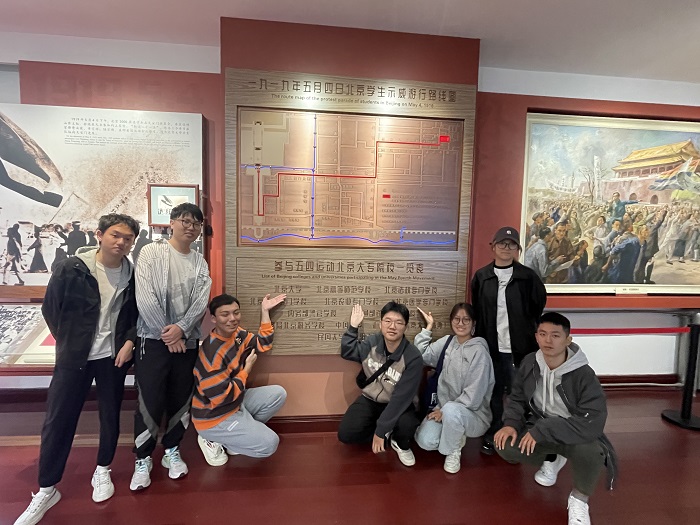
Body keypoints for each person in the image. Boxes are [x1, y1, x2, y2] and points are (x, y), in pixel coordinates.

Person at [14, 214, 140, 525]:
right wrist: (70, 341)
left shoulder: (132, 274)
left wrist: (129, 341)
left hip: (112, 357)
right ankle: (46, 487)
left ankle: (103, 468)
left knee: (110, 414)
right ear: (99, 235)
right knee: (59, 418)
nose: (121, 242)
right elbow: (51, 308)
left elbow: (134, 314)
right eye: (115, 235)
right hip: (74, 357)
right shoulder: (72, 268)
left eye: (127, 238)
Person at [494, 312, 617, 525]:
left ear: (568, 340)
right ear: (536, 337)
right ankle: (553, 456)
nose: (548, 340)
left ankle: (579, 500)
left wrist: (544, 429)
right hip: (539, 424)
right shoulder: (530, 362)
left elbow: (594, 421)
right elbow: (517, 398)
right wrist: (511, 424)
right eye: (542, 334)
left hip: (572, 429)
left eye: (555, 335)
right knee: (505, 444)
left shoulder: (584, 374)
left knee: (592, 452)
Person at [130, 203, 212, 491]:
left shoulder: (200, 262)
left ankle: (171, 450)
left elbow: (201, 301)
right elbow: (145, 297)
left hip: (186, 342)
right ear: (172, 222)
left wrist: (182, 330)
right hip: (152, 340)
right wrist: (168, 334)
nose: (191, 227)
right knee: (149, 400)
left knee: (181, 398)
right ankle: (143, 458)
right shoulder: (151, 253)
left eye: (196, 223)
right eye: (185, 221)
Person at [471, 226, 547, 455]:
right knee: (493, 391)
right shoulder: (482, 276)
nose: (507, 247)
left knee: (520, 392)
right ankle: (494, 431)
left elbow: (537, 307)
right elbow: (478, 309)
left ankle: (518, 432)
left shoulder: (528, 277)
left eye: (512, 244)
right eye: (502, 243)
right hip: (492, 346)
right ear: (493, 247)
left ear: (518, 249)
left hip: (521, 348)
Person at [192, 293, 287, 466]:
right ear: (213, 319)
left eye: (236, 313)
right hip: (214, 416)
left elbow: (262, 344)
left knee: (278, 394)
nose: (232, 318)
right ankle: (212, 439)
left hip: (235, 403)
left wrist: (265, 311)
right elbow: (222, 398)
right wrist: (246, 370)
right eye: (225, 314)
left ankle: (237, 437)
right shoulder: (212, 354)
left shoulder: (236, 334)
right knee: (270, 444)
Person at [338, 302, 423, 467]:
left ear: (405, 327)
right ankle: (387, 432)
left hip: (399, 404)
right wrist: (353, 327)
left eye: (398, 322)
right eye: (388, 321)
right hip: (371, 399)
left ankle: (398, 442)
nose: (392, 326)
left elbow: (400, 399)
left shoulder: (413, 357)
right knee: (346, 434)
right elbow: (348, 352)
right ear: (380, 324)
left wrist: (380, 431)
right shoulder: (372, 342)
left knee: (407, 425)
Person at [413, 304, 494, 473]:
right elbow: (421, 355)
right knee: (425, 441)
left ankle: (453, 450)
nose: (461, 323)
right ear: (451, 321)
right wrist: (428, 328)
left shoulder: (480, 352)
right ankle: (454, 435)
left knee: (452, 411)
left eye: (466, 319)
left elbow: (473, 397)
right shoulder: (447, 342)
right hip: (443, 409)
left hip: (473, 414)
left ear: (474, 323)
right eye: (457, 319)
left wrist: (445, 411)